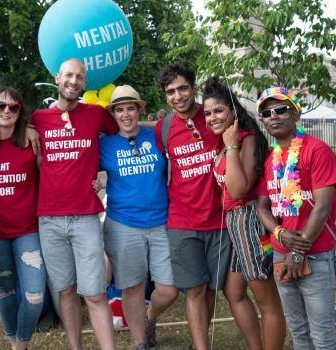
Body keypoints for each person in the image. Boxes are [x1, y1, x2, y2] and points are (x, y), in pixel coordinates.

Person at [31, 58, 118, 350]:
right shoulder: (38, 119)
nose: (73, 81)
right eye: (69, 75)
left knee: (94, 293)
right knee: (65, 290)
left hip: (85, 217)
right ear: (57, 78)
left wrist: (103, 179)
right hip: (49, 219)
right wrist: (30, 130)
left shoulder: (95, 114)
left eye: (80, 77)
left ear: (84, 83)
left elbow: (122, 130)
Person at [202, 77, 286, 350]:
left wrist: (233, 145)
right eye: (207, 113)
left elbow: (238, 190)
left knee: (267, 299)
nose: (212, 117)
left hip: (250, 221)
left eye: (218, 111)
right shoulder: (226, 141)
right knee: (234, 290)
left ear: (233, 111)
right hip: (234, 224)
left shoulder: (245, 140)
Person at [154, 62, 231, 350]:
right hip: (182, 220)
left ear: (193, 88)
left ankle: (200, 342)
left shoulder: (214, 116)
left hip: (219, 217)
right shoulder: (163, 129)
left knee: (212, 288)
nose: (178, 96)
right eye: (171, 91)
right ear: (165, 96)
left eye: (183, 88)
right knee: (195, 289)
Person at [256, 86, 336, 350]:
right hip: (281, 254)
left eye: (281, 109)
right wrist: (279, 234)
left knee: (322, 336)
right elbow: (261, 206)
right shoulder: (269, 160)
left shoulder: (317, 150)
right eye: (267, 113)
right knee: (298, 332)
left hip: (315, 255)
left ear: (295, 113)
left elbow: (323, 207)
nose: (274, 116)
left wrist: (298, 251)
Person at [98, 85, 179, 349]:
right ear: (113, 114)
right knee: (132, 287)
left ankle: (149, 316)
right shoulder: (104, 144)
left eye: (130, 108)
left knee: (169, 289)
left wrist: (147, 122)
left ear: (139, 109)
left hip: (161, 222)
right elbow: (78, 165)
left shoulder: (156, 136)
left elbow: (169, 120)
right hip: (123, 224)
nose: (125, 115)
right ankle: (139, 342)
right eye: (119, 110)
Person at [0, 86, 46, 350]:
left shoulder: (32, 143)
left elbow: (49, 179)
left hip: (27, 231)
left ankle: (21, 341)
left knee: (34, 296)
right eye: (0, 106)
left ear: (21, 112)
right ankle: (15, 345)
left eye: (14, 107)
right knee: (6, 292)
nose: (6, 111)